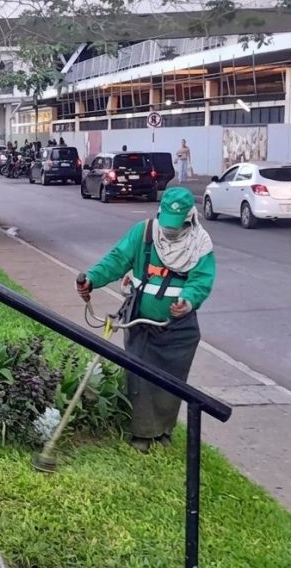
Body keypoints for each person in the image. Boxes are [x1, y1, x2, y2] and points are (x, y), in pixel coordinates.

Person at [76, 188, 216, 452]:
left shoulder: (200, 244)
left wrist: (187, 301)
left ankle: (163, 431)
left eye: (176, 227)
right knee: (139, 377)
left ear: (190, 220)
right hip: (140, 321)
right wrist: (92, 278)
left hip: (179, 328)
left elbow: (201, 280)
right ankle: (142, 433)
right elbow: (117, 260)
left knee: (171, 381)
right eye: (167, 226)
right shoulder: (144, 233)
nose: (170, 232)